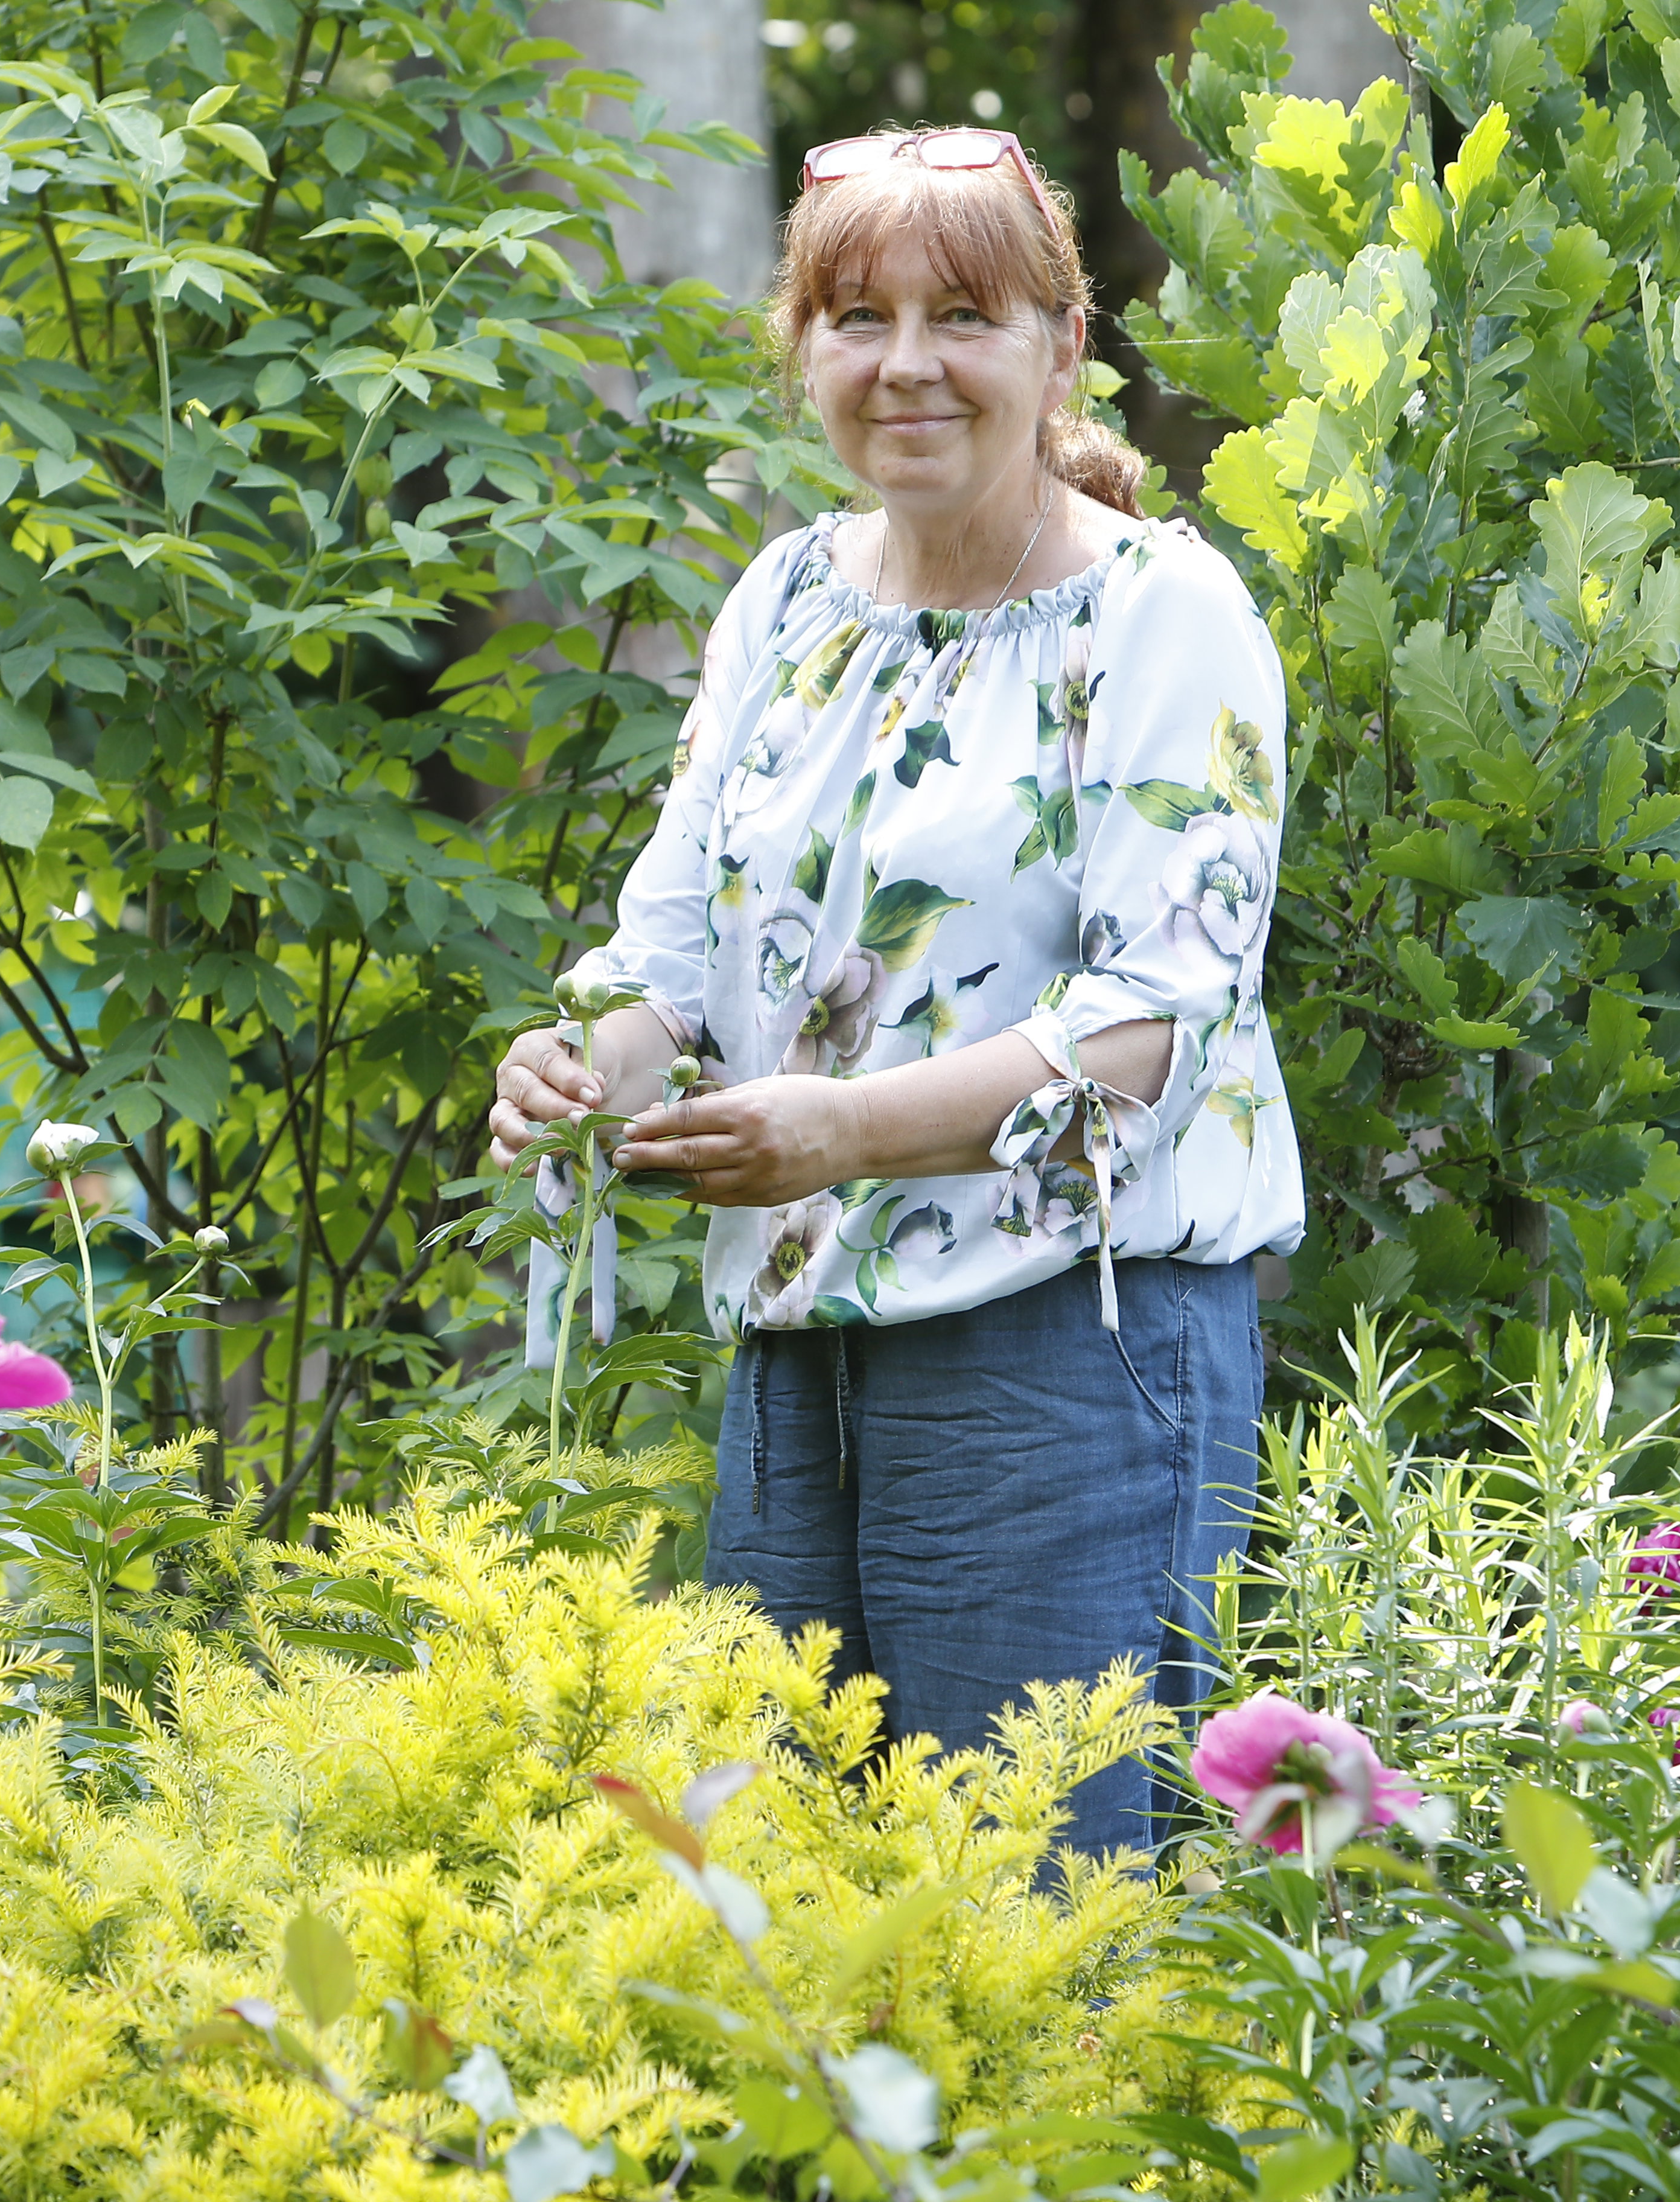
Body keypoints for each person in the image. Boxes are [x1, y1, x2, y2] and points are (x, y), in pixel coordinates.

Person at [485, 126, 1303, 1858]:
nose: (908, 363)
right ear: (803, 348)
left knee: (1039, 1925)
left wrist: (841, 1130)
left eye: (966, 315)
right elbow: (677, 955)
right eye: (858, 316)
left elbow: (1153, 1025)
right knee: (771, 1913)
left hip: (1075, 1360)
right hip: (800, 1362)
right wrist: (579, 1062)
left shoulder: (1164, 618)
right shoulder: (785, 601)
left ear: (1062, 347)